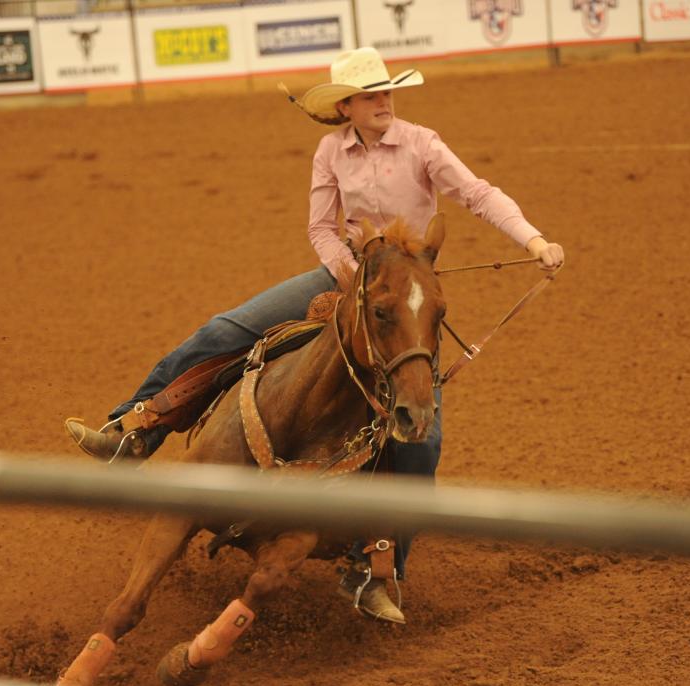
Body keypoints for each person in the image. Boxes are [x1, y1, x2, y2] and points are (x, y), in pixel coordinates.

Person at [65, 46, 565, 624]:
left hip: (401, 290)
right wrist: (349, 275)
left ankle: (376, 570)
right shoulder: (331, 151)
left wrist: (532, 242)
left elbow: (477, 194)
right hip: (344, 275)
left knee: (422, 441)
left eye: (387, 92)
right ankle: (134, 429)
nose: (384, 101)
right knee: (225, 330)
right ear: (346, 106)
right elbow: (321, 229)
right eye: (371, 94)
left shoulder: (423, 144)